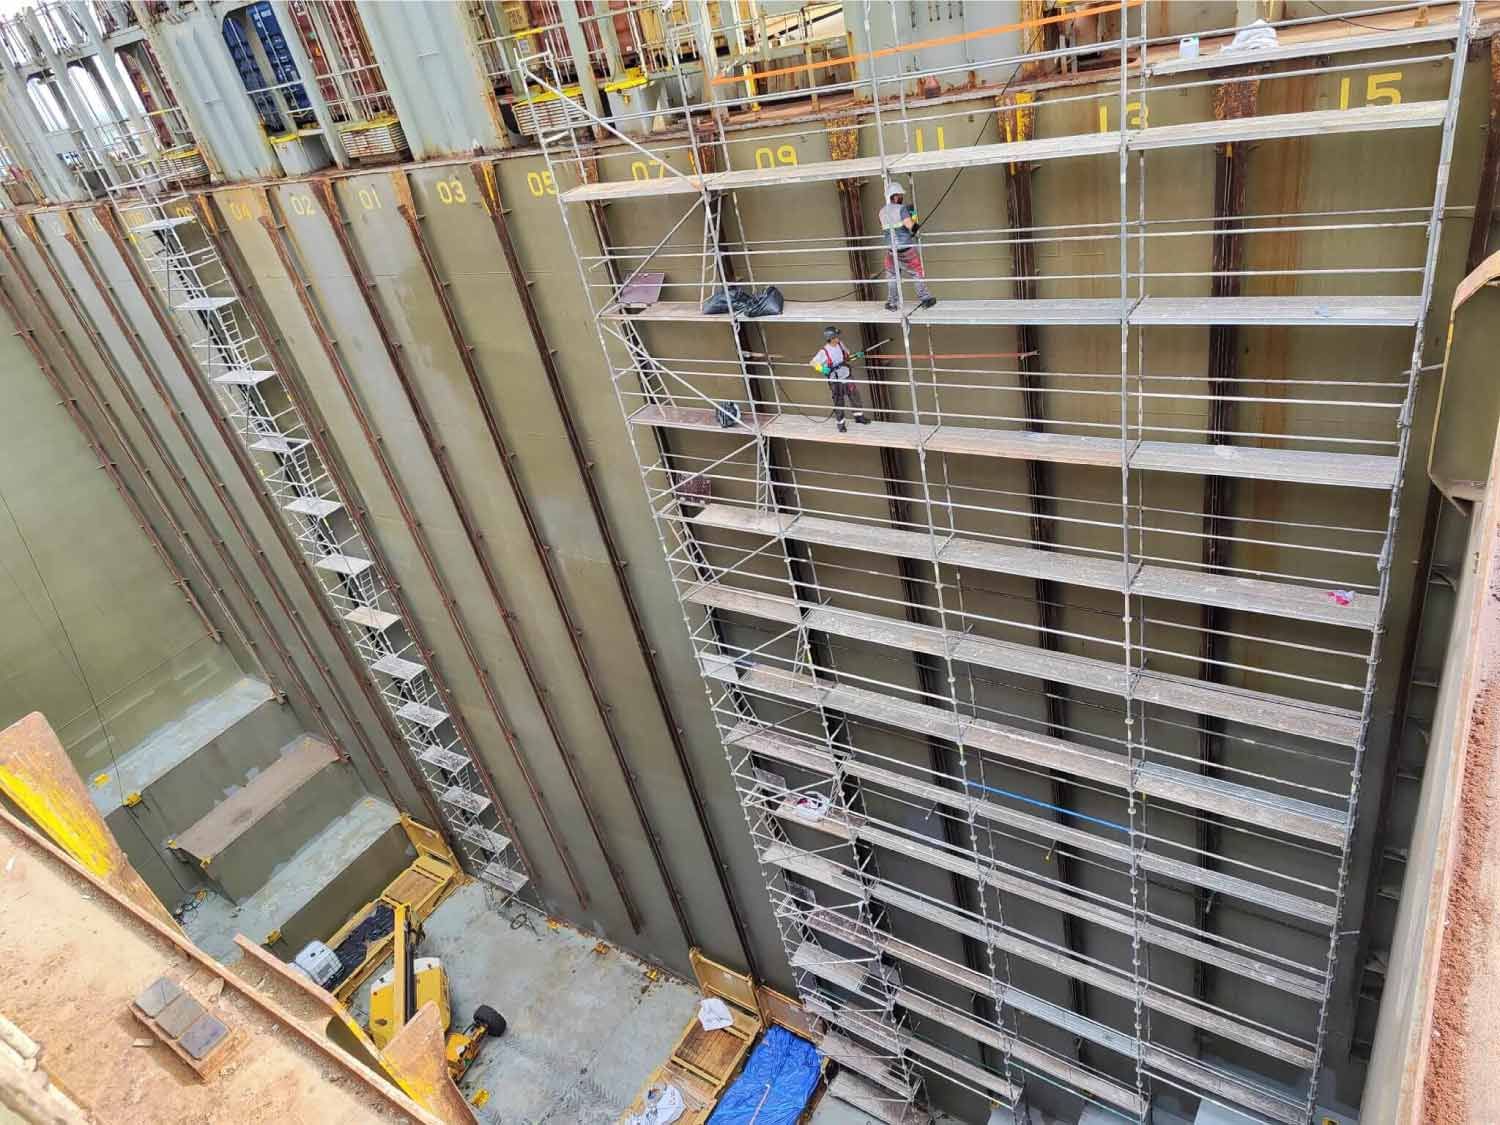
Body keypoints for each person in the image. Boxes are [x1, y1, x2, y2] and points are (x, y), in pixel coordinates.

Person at [879, 179, 936, 312]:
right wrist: (916, 225)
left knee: (892, 276)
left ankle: (892, 303)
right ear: (896, 196)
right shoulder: (902, 208)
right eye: (900, 195)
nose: (902, 197)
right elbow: (910, 226)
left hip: (891, 250)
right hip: (905, 249)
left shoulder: (881, 212)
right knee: (916, 273)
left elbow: (887, 229)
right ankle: (925, 299)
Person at [809, 325, 869, 433]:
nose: (839, 338)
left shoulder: (840, 345)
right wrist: (822, 369)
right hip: (835, 380)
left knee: (855, 395)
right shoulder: (824, 351)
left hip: (846, 374)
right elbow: (813, 363)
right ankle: (841, 424)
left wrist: (857, 355)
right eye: (837, 336)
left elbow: (848, 357)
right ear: (831, 338)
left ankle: (859, 417)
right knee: (839, 401)